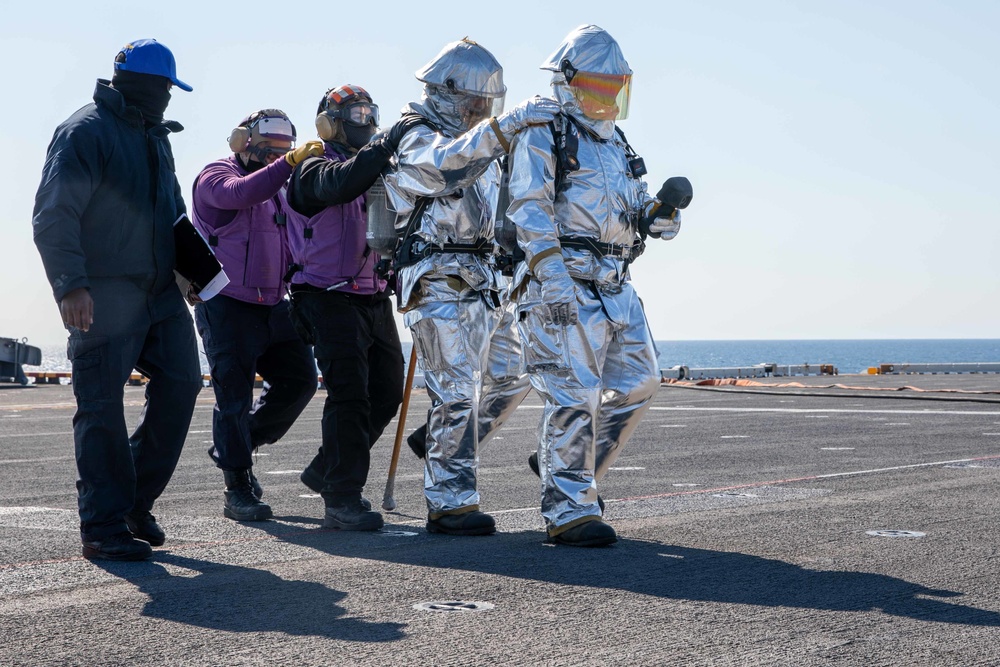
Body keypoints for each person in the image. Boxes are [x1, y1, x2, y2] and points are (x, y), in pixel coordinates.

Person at [506, 25, 684, 547]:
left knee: (640, 384)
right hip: (563, 281)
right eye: (597, 86)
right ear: (568, 81)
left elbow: (635, 205)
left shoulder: (615, 141)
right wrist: (553, 280)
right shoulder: (544, 130)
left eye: (614, 88)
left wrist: (659, 217)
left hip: (615, 283)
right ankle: (567, 511)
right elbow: (529, 208)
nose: (606, 98)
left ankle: (567, 472)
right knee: (572, 395)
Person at [32, 39, 203, 560]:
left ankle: (133, 503)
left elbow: (173, 213)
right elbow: (54, 214)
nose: (166, 99)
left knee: (182, 385)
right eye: (166, 89)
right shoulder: (85, 132)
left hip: (159, 295)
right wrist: (71, 286)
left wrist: (196, 274)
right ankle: (103, 526)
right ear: (151, 86)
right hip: (102, 296)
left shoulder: (155, 136)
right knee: (102, 408)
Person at [380, 38, 558, 536]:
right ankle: (451, 500)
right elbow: (440, 167)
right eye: (475, 102)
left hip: (485, 282)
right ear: (446, 92)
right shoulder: (416, 134)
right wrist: (504, 129)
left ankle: (438, 440)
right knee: (457, 388)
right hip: (435, 277)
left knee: (516, 375)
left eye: (489, 105)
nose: (482, 111)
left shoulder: (483, 142)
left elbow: (503, 211)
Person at [285, 85, 413, 531]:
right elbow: (340, 186)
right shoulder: (311, 169)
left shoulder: (378, 169)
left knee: (386, 393)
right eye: (354, 113)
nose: (363, 119)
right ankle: (342, 497)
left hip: (373, 295)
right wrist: (387, 144)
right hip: (325, 296)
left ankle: (325, 470)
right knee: (350, 395)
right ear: (329, 122)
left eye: (369, 112)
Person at [191, 109, 322, 522]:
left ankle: (238, 445)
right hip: (226, 303)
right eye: (267, 151)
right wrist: (288, 165)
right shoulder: (215, 177)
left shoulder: (280, 188)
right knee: (233, 397)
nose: (274, 159)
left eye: (282, 152)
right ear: (242, 142)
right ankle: (238, 486)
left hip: (274, 304)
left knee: (301, 380)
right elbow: (239, 195)